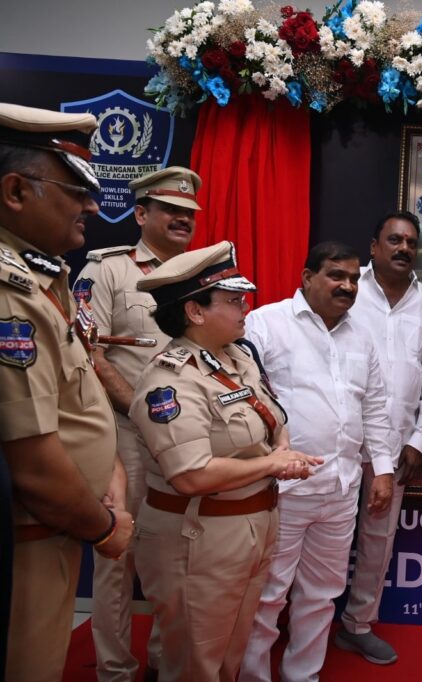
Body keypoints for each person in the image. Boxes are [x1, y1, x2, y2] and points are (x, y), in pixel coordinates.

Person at [128, 241, 321, 682]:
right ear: (194, 312)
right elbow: (191, 474)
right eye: (233, 300)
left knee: (228, 656)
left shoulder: (237, 355)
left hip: (250, 529)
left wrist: (281, 447)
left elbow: (272, 418)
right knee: (195, 662)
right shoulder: (170, 382)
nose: (244, 308)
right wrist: (273, 465)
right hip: (198, 538)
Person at [0, 102, 134, 681]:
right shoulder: (9, 292)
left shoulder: (44, 275)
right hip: (28, 539)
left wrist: (110, 474)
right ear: (14, 191)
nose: (93, 206)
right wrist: (105, 527)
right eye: (75, 190)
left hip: (60, 524)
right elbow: (31, 463)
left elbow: (75, 402)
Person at [240, 242, 395, 681]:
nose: (347, 286)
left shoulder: (362, 336)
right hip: (283, 490)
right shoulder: (266, 323)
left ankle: (302, 675)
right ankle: (252, 676)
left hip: (341, 489)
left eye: (353, 279)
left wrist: (383, 469)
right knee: (268, 594)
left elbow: (375, 408)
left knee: (322, 594)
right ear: (308, 277)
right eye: (335, 275)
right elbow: (243, 394)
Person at [76, 165, 202, 682]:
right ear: (141, 213)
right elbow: (89, 355)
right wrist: (139, 412)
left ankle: (162, 662)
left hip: (188, 441)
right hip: (127, 437)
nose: (182, 218)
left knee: (175, 557)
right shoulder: (107, 271)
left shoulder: (201, 274)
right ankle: (115, 670)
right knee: (118, 557)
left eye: (189, 212)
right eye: (170, 209)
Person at [334, 210, 422, 664]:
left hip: (396, 446)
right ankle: (298, 617)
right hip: (340, 438)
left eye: (411, 243)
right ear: (374, 246)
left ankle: (357, 625)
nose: (404, 248)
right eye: (395, 240)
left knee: (378, 540)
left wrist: (420, 440)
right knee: (320, 532)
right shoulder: (348, 289)